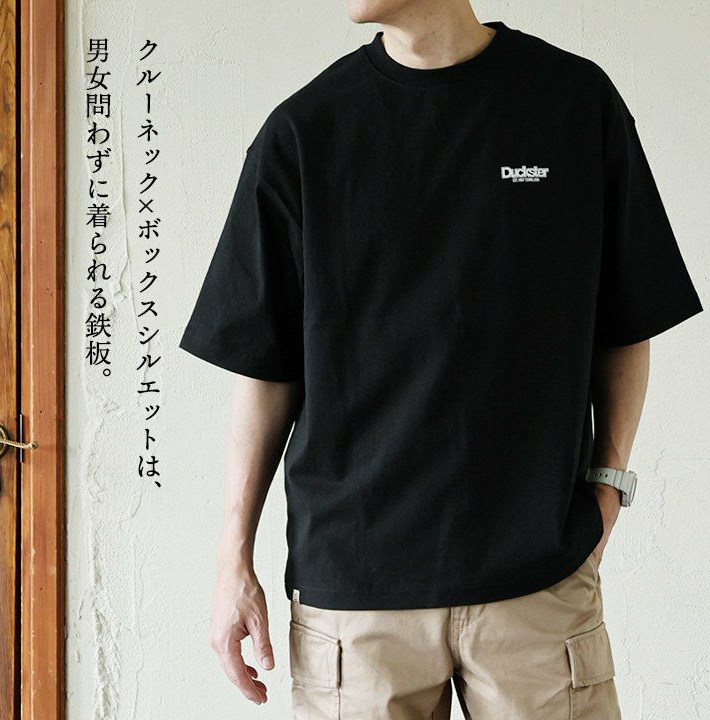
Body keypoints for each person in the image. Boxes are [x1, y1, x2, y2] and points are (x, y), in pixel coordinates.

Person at [178, 1, 703, 717]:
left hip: (537, 582)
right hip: (356, 600)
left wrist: (608, 488)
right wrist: (231, 560)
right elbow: (266, 369)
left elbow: (627, 317)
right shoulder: (306, 131)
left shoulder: (574, 103)